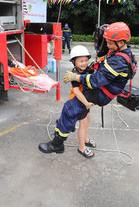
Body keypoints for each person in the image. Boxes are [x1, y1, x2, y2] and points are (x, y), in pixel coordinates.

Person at [38, 22, 132, 158]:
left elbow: (95, 80)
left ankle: (57, 144)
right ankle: (84, 140)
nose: (108, 46)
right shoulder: (121, 53)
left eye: (110, 43)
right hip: (103, 89)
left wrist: (75, 76)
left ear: (121, 41)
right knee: (84, 117)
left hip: (101, 92)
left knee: (69, 110)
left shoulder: (118, 61)